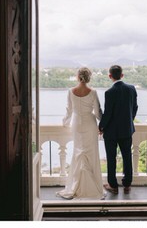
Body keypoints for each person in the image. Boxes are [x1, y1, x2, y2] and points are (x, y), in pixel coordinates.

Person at [56, 67, 104, 199]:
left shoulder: (71, 91)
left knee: (78, 153)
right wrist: (104, 124)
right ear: (88, 77)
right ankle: (93, 187)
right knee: (91, 154)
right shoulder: (93, 92)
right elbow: (98, 111)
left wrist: (65, 122)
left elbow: (69, 110)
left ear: (78, 77)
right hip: (90, 123)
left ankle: (75, 185)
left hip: (77, 124)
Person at [99, 64, 138, 194]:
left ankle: (113, 186)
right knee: (127, 157)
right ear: (122, 75)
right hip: (127, 130)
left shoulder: (109, 92)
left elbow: (108, 113)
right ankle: (127, 185)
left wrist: (101, 126)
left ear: (110, 76)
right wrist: (129, 120)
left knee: (111, 158)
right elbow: (135, 108)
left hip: (111, 132)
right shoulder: (131, 89)